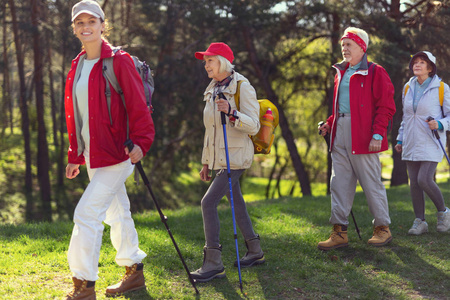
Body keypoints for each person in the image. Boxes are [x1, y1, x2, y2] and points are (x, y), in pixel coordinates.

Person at [64, 1, 155, 299]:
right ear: (74, 29)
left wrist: (142, 141)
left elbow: (137, 105)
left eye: (92, 21)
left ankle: (84, 284)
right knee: (117, 212)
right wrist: (76, 155)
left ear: (104, 25)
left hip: (119, 153)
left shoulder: (120, 60)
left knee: (87, 213)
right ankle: (134, 271)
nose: (86, 26)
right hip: (93, 155)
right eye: (80, 23)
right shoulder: (77, 64)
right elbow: (76, 114)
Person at [190, 42, 265, 282]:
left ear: (222, 61)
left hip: (236, 157)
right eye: (205, 61)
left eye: (209, 60)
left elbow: (254, 124)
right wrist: (205, 162)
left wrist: (232, 113)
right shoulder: (212, 88)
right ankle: (255, 251)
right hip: (221, 159)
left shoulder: (242, 86)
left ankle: (213, 262)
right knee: (236, 202)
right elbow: (210, 131)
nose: (205, 65)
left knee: (208, 202)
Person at [317, 27, 396, 250]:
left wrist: (378, 133)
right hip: (340, 131)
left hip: (364, 134)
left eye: (348, 44)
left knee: (371, 183)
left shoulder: (375, 71)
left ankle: (383, 229)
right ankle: (339, 232)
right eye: (342, 44)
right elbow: (340, 108)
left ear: (362, 46)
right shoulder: (340, 72)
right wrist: (329, 124)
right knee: (339, 183)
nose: (344, 48)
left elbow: (386, 106)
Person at [395, 51, 450, 235]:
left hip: (431, 141)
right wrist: (400, 138)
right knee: (414, 184)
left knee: (424, 179)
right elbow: (406, 117)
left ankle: (443, 213)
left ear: (430, 67)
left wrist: (440, 123)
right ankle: (420, 221)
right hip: (411, 140)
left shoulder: (441, 88)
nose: (416, 65)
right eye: (415, 62)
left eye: (421, 62)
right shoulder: (407, 88)